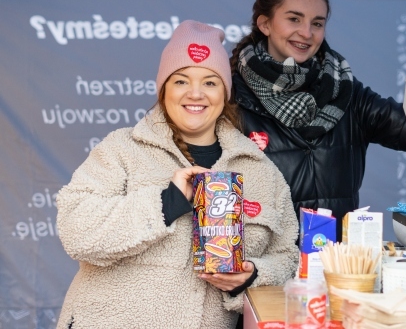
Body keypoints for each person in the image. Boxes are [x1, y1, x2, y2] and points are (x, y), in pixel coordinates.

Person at [55, 20, 299, 329]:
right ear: (163, 89)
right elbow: (76, 230)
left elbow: (288, 258)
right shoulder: (121, 149)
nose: (195, 94)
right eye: (181, 81)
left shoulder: (260, 170)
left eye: (210, 82)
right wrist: (166, 202)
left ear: (225, 92)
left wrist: (251, 275)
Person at [230, 0, 406, 240]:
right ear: (265, 24)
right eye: (294, 19)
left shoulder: (346, 91)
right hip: (260, 270)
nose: (307, 33)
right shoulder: (230, 96)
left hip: (333, 269)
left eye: (317, 23)